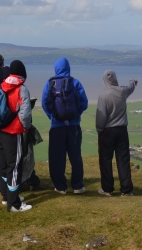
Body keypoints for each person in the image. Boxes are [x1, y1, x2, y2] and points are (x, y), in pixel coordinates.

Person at [41, 57, 88, 195]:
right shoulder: (75, 82)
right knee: (76, 157)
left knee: (57, 158)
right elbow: (84, 102)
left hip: (57, 127)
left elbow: (45, 104)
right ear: (68, 68)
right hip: (74, 126)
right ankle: (77, 186)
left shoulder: (50, 83)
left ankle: (60, 187)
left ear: (56, 68)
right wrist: (76, 115)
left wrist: (52, 117)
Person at [0, 60, 33, 212]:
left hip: (1, 131)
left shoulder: (3, 85)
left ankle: (7, 197)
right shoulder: (21, 88)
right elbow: (24, 114)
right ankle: (15, 205)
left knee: (5, 165)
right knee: (15, 167)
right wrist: (26, 128)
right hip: (14, 132)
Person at [95, 70, 137, 197]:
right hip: (122, 130)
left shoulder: (103, 96)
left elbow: (101, 117)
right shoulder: (122, 91)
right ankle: (126, 190)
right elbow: (130, 87)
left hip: (107, 131)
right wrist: (133, 81)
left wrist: (99, 130)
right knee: (123, 160)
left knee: (105, 160)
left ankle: (107, 189)